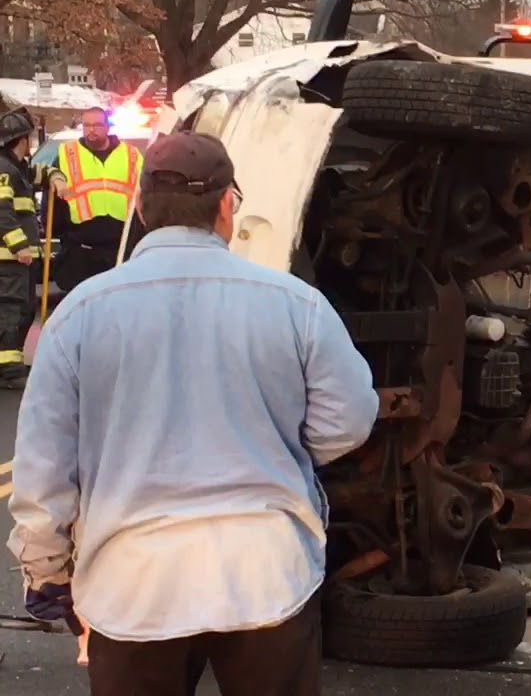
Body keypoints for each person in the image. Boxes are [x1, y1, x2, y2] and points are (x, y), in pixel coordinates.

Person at [6, 132, 381, 695]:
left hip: (132, 583)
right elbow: (350, 419)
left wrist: (46, 569)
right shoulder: (295, 304)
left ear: (138, 205)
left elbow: (44, 464)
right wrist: (278, 446)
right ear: (228, 204)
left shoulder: (80, 313)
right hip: (265, 576)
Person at [0, 107, 69, 388]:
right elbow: (1, 212)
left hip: (20, 260)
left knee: (25, 308)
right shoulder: (4, 170)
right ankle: (9, 369)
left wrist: (56, 178)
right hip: (9, 258)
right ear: (21, 140)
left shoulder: (20, 168)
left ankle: (12, 363)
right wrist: (19, 246)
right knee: (11, 309)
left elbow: (43, 171)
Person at [50, 105, 147, 294]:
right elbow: (53, 195)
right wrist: (58, 231)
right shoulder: (67, 154)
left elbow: (144, 194)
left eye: (96, 125)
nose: (91, 130)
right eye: (86, 125)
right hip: (82, 246)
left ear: (108, 127)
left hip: (120, 245)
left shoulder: (132, 155)